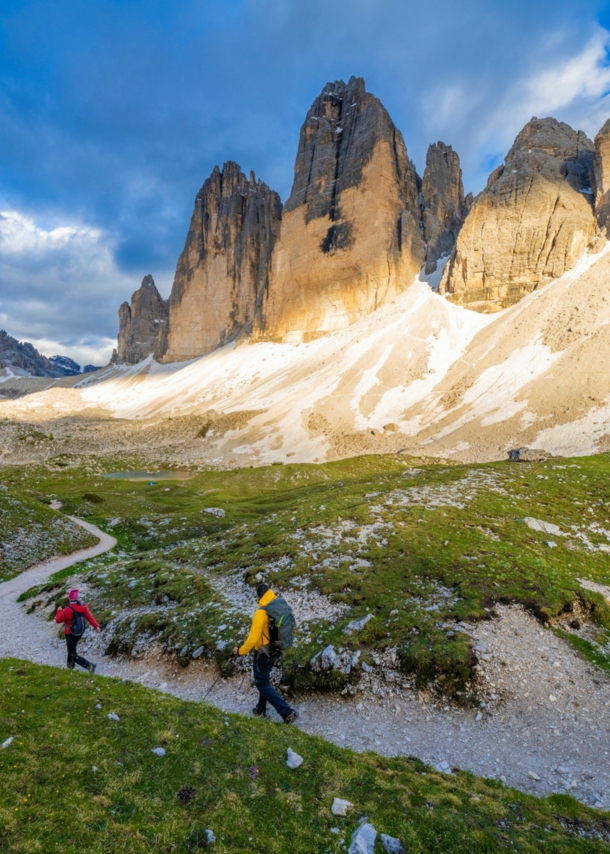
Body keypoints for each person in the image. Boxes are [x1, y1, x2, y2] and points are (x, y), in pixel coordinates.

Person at [232, 583, 298, 723]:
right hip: (276, 649)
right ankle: (261, 710)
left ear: (259, 596)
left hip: (263, 653)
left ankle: (287, 713)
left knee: (262, 684)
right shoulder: (279, 603)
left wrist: (240, 651)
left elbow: (253, 639)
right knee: (264, 681)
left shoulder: (261, 613)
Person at [56, 589, 101, 673]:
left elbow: (58, 620)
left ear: (69, 598)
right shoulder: (82, 606)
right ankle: (70, 668)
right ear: (77, 598)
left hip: (70, 634)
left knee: (72, 653)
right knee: (71, 650)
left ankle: (89, 666)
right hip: (79, 633)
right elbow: (89, 617)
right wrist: (96, 626)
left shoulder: (68, 610)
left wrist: (59, 611)